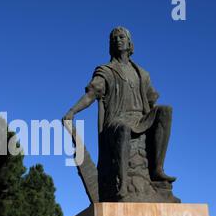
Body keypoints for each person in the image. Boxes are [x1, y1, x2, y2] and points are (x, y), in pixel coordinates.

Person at [63, 26, 175, 198]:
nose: (118, 40)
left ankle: (157, 169)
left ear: (130, 43)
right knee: (123, 128)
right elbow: (91, 95)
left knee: (166, 111)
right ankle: (122, 184)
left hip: (140, 118)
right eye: (114, 38)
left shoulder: (142, 73)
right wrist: (72, 111)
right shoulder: (106, 71)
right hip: (116, 120)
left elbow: (152, 100)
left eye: (122, 37)